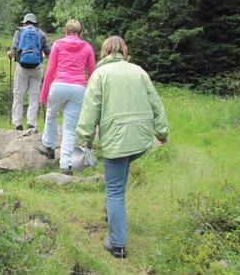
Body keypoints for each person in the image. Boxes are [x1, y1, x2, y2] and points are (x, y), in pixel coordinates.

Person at [76, 36, 169, 259]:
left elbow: (90, 111)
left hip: (118, 141)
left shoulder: (100, 75)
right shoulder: (139, 72)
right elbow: (156, 103)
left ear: (104, 52)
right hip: (140, 142)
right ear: (124, 51)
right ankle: (111, 213)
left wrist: (85, 139)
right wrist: (162, 133)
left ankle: (117, 244)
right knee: (118, 180)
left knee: (115, 190)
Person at [39, 19, 96, 174]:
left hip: (59, 85)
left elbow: (50, 71)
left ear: (65, 31)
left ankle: (49, 146)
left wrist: (43, 95)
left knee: (51, 115)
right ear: (80, 32)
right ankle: (65, 165)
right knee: (70, 128)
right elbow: (92, 74)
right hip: (78, 88)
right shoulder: (87, 47)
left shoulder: (57, 45)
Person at [8, 13, 51, 131]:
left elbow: (13, 51)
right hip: (36, 68)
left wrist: (10, 54)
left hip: (22, 68)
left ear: (24, 23)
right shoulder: (41, 33)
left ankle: (17, 124)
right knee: (33, 97)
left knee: (18, 95)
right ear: (35, 23)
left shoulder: (19, 32)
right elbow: (48, 53)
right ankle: (31, 124)